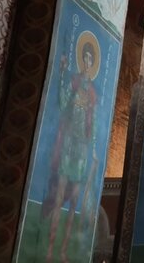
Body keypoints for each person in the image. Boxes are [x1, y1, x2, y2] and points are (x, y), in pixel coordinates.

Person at [43, 38, 99, 261]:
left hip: (82, 149)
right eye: (85, 57)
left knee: (74, 202)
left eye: (90, 59)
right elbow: (62, 100)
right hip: (68, 145)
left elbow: (93, 123)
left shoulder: (92, 93)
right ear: (81, 59)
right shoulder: (74, 82)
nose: (87, 61)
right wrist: (61, 73)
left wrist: (94, 149)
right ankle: (49, 249)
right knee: (59, 198)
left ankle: (64, 252)